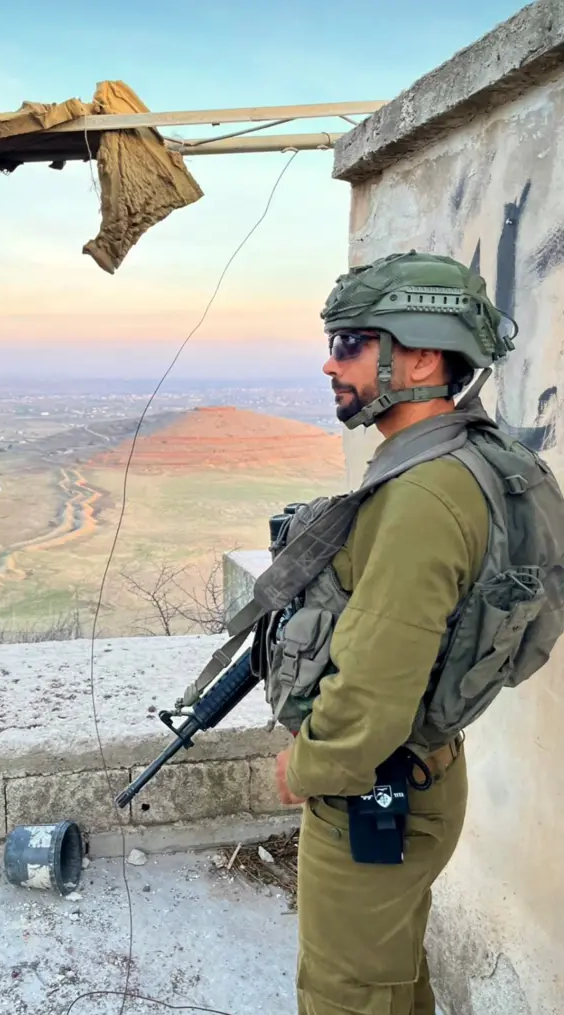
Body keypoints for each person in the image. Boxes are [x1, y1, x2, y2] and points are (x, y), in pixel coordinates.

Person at [273, 251, 515, 1015]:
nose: (329, 362)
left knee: (347, 994)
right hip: (419, 774)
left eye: (350, 342)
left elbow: (373, 692)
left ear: (418, 353)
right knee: (391, 978)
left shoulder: (425, 494)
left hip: (374, 787)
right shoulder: (473, 458)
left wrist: (305, 767)